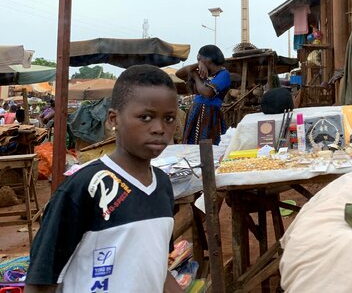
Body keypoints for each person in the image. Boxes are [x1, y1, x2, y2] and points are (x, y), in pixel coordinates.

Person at [25, 65, 183, 293]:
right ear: (113, 119)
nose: (159, 128)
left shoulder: (163, 185)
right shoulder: (84, 188)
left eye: (169, 119)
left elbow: (157, 267)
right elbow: (41, 283)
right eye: (145, 117)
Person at [176, 44, 230, 145]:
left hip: (210, 115)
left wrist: (195, 76)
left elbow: (207, 93)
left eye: (199, 59)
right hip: (195, 113)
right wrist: (197, 65)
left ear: (209, 60)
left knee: (208, 145)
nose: (198, 62)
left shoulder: (223, 74)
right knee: (191, 145)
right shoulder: (203, 72)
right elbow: (179, 73)